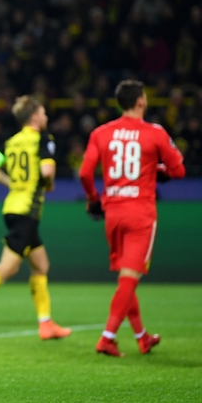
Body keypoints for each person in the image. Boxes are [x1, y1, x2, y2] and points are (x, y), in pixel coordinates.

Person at [79, 80, 185, 357]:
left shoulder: (102, 133)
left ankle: (142, 337)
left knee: (127, 276)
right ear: (140, 101)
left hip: (112, 213)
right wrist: (160, 171)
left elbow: (85, 173)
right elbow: (179, 170)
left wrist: (93, 198)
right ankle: (107, 337)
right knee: (129, 279)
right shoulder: (155, 133)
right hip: (140, 214)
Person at [0, 96, 71, 340]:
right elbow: (47, 171)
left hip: (13, 207)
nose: (47, 117)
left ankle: (45, 323)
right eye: (44, 112)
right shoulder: (43, 139)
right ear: (35, 117)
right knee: (8, 267)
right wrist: (47, 184)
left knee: (41, 265)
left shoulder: (10, 142)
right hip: (27, 211)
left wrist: (12, 182)